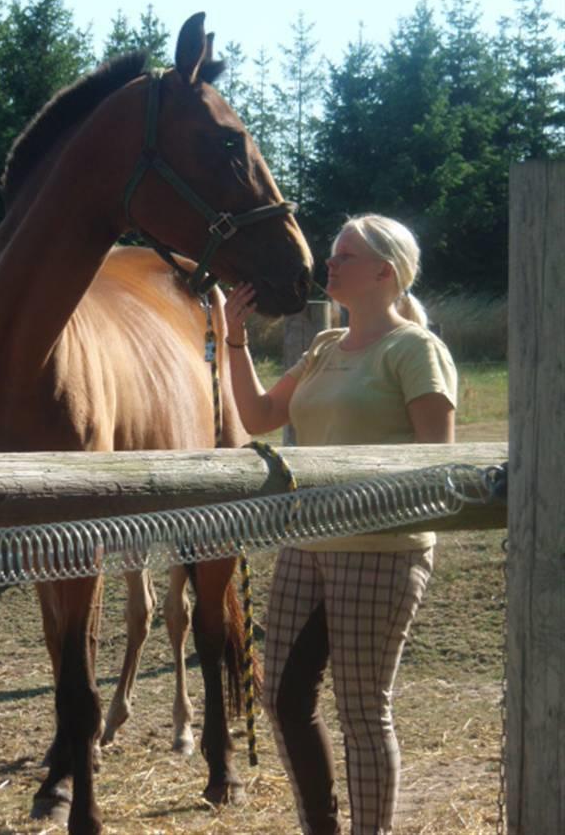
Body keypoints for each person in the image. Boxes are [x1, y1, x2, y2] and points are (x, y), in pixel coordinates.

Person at [223, 213, 457, 835]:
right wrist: (234, 342)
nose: (329, 264)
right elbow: (258, 415)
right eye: (332, 254)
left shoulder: (416, 350)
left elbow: (438, 461)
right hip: (307, 545)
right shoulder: (325, 347)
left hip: (381, 550)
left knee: (360, 710)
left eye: (344, 255)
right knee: (282, 698)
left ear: (385, 271)